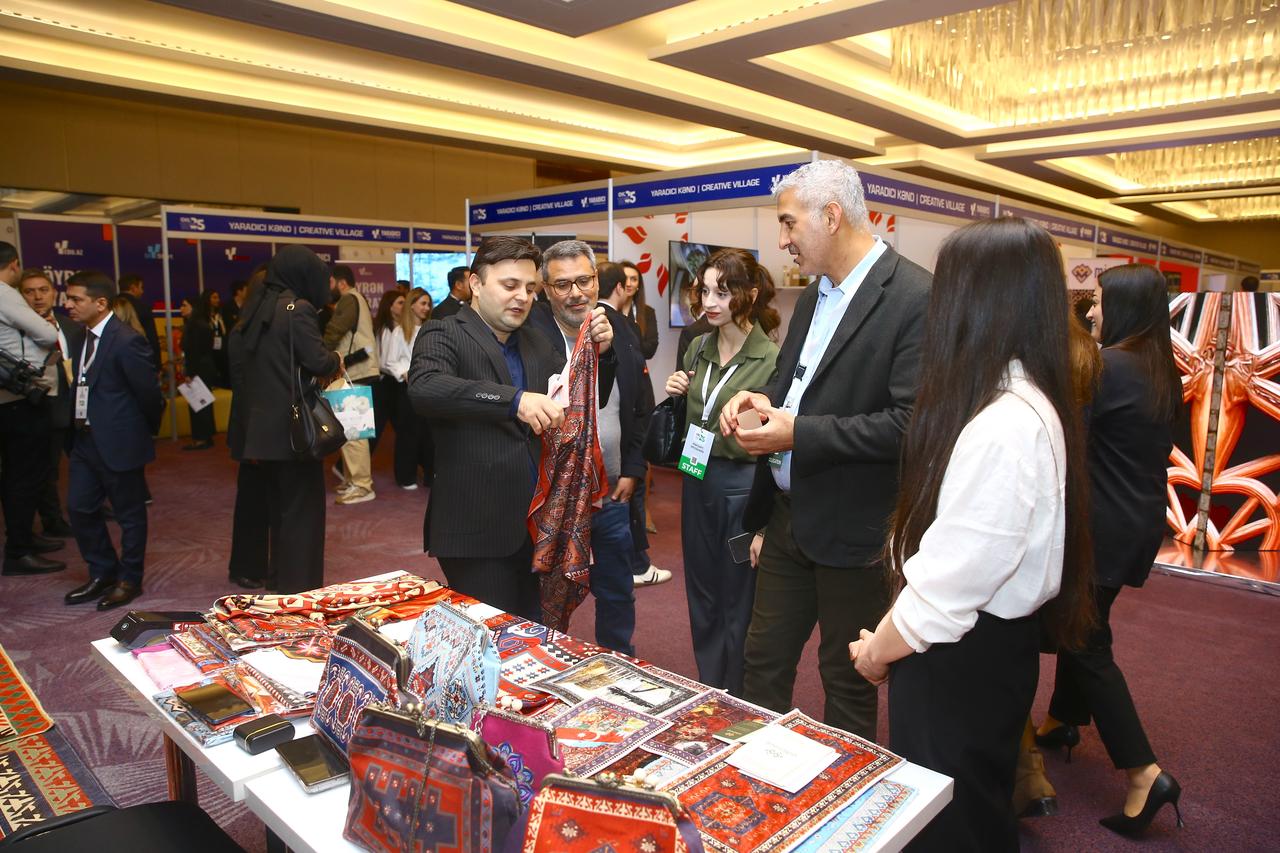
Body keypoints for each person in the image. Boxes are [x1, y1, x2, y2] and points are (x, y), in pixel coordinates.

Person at [847, 216, 1094, 852]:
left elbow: (952, 584)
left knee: (947, 824)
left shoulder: (1005, 424)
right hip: (982, 653)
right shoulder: (1021, 400)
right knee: (970, 810)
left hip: (960, 658)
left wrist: (878, 651)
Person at [719, 160, 931, 741]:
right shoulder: (815, 296)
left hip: (857, 528)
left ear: (831, 217)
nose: (782, 240)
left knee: (848, 684)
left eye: (788, 224)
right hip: (788, 521)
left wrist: (798, 433)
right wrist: (759, 403)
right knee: (759, 669)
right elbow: (797, 390)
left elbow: (909, 425)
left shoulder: (914, 295)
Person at [1036, 263, 1185, 838]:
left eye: (1097, 301)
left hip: (1099, 530)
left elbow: (1068, 443)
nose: (1090, 311)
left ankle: (1144, 773)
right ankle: (1061, 721)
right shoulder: (1155, 367)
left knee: (1085, 641)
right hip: (1134, 525)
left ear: (1121, 303)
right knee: (1084, 627)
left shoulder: (1110, 367)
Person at [409, 238, 599, 620]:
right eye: (509, 286)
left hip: (538, 531)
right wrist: (514, 401)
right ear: (476, 284)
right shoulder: (444, 332)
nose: (522, 297)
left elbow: (576, 401)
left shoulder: (538, 341)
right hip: (476, 528)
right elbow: (426, 387)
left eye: (530, 288)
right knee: (489, 642)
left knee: (536, 638)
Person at [664, 248, 779, 695]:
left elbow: (775, 446)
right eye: (705, 291)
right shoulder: (697, 348)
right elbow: (697, 419)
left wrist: (765, 523)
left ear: (749, 295)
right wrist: (678, 393)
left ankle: (738, 693)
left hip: (742, 487)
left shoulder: (769, 359)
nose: (710, 302)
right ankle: (711, 688)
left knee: (738, 599)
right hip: (696, 481)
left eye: (723, 292)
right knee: (703, 593)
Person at [527, 250, 637, 655]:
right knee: (547, 585)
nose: (576, 293)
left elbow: (636, 401)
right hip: (553, 492)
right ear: (546, 290)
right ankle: (545, 663)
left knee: (617, 590)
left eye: (584, 281)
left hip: (608, 490)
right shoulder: (531, 333)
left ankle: (619, 661)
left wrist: (634, 467)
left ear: (596, 279)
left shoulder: (618, 327)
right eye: (562, 284)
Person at [226, 245, 339, 593]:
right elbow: (318, 362)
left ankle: (278, 581)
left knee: (278, 511)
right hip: (294, 432)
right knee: (302, 514)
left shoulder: (257, 307)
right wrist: (335, 358)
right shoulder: (297, 309)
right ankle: (297, 587)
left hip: (260, 430)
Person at [63, 271, 164, 610]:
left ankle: (129, 579)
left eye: (76, 299)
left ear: (100, 302)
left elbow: (149, 394)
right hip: (84, 440)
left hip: (119, 441)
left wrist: (139, 432)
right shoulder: (80, 337)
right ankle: (103, 571)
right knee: (79, 507)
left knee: (129, 515)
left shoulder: (126, 339)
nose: (68, 304)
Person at [0, 243, 65, 576]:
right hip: (18, 401)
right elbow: (46, 333)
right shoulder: (4, 292)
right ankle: (19, 551)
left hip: (9, 401)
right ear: (14, 265)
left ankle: (23, 538)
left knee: (17, 475)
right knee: (23, 477)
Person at [608, 262, 669, 588]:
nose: (630, 284)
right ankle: (636, 560)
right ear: (618, 284)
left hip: (642, 394)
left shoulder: (643, 312)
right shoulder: (608, 318)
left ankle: (637, 551)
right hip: (624, 404)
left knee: (635, 474)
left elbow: (650, 347)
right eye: (626, 279)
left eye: (635, 279)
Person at [19, 269, 82, 539]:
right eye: (30, 291)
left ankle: (91, 507)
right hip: (40, 408)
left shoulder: (71, 327)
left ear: (53, 292)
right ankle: (52, 520)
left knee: (87, 462)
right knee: (47, 470)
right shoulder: (16, 330)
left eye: (43, 290)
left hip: (76, 404)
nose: (37, 297)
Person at [323, 265, 379, 505]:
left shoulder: (348, 299)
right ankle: (353, 479)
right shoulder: (356, 299)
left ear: (340, 282)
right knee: (350, 431)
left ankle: (362, 485)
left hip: (355, 371)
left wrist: (318, 354)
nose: (328, 288)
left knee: (355, 433)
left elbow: (334, 332)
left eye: (330, 282)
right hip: (356, 371)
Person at [385, 287, 433, 489]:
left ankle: (431, 474)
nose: (426, 307)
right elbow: (389, 361)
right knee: (408, 434)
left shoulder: (431, 329)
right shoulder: (398, 332)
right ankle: (406, 476)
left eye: (428, 304)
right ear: (412, 304)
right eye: (422, 303)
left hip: (429, 387)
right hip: (407, 389)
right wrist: (404, 372)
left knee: (429, 433)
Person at [178, 296, 217, 451]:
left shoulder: (195, 326)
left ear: (193, 307)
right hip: (204, 368)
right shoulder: (200, 324)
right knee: (203, 403)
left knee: (198, 404)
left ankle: (201, 438)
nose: (181, 308)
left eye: (184, 305)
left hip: (199, 369)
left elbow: (194, 351)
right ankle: (206, 436)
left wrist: (190, 372)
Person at [373, 289, 406, 451]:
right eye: (400, 303)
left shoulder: (402, 327)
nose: (404, 306)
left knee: (403, 426)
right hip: (386, 382)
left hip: (397, 382)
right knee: (377, 425)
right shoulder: (385, 330)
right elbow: (385, 361)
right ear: (390, 306)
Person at [118, 274, 162, 372]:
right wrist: (157, 366)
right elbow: (151, 338)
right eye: (141, 288)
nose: (142, 292)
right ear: (133, 288)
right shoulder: (143, 307)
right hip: (139, 360)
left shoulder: (108, 306)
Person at [617, 260, 659, 360]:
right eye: (624, 278)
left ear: (638, 286)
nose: (628, 283)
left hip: (637, 371)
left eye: (633, 279)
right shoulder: (607, 310)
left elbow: (650, 350)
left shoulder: (647, 312)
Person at [204, 290, 230, 385]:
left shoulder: (220, 314)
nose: (217, 300)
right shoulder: (203, 316)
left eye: (218, 297)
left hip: (221, 345)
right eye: (214, 297)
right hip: (208, 346)